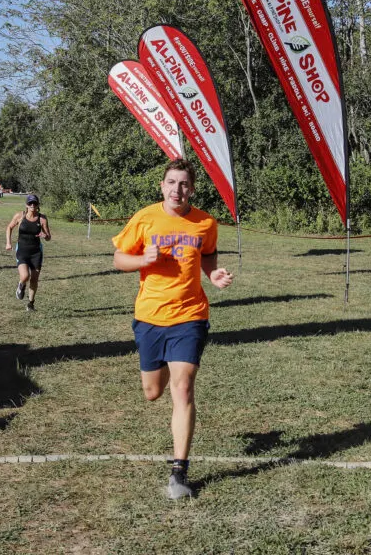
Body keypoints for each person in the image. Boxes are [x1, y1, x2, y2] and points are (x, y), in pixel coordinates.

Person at [112, 158, 233, 500]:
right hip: (150, 316)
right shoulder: (145, 218)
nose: (177, 189)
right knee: (153, 392)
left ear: (191, 189)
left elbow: (207, 254)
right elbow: (119, 258)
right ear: (162, 186)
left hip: (190, 315)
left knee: (183, 388)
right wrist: (142, 260)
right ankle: (164, 362)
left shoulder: (205, 222)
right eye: (171, 182)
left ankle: (179, 471)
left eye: (183, 184)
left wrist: (213, 274)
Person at [5, 193, 52, 311]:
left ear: (38, 205)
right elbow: (9, 227)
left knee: (34, 279)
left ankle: (30, 304)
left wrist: (45, 235)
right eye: (30, 203)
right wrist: (8, 243)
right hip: (22, 251)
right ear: (26, 204)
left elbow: (48, 237)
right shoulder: (20, 216)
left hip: (36, 253)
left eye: (34, 203)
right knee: (25, 276)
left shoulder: (42, 218)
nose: (32, 205)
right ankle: (21, 285)